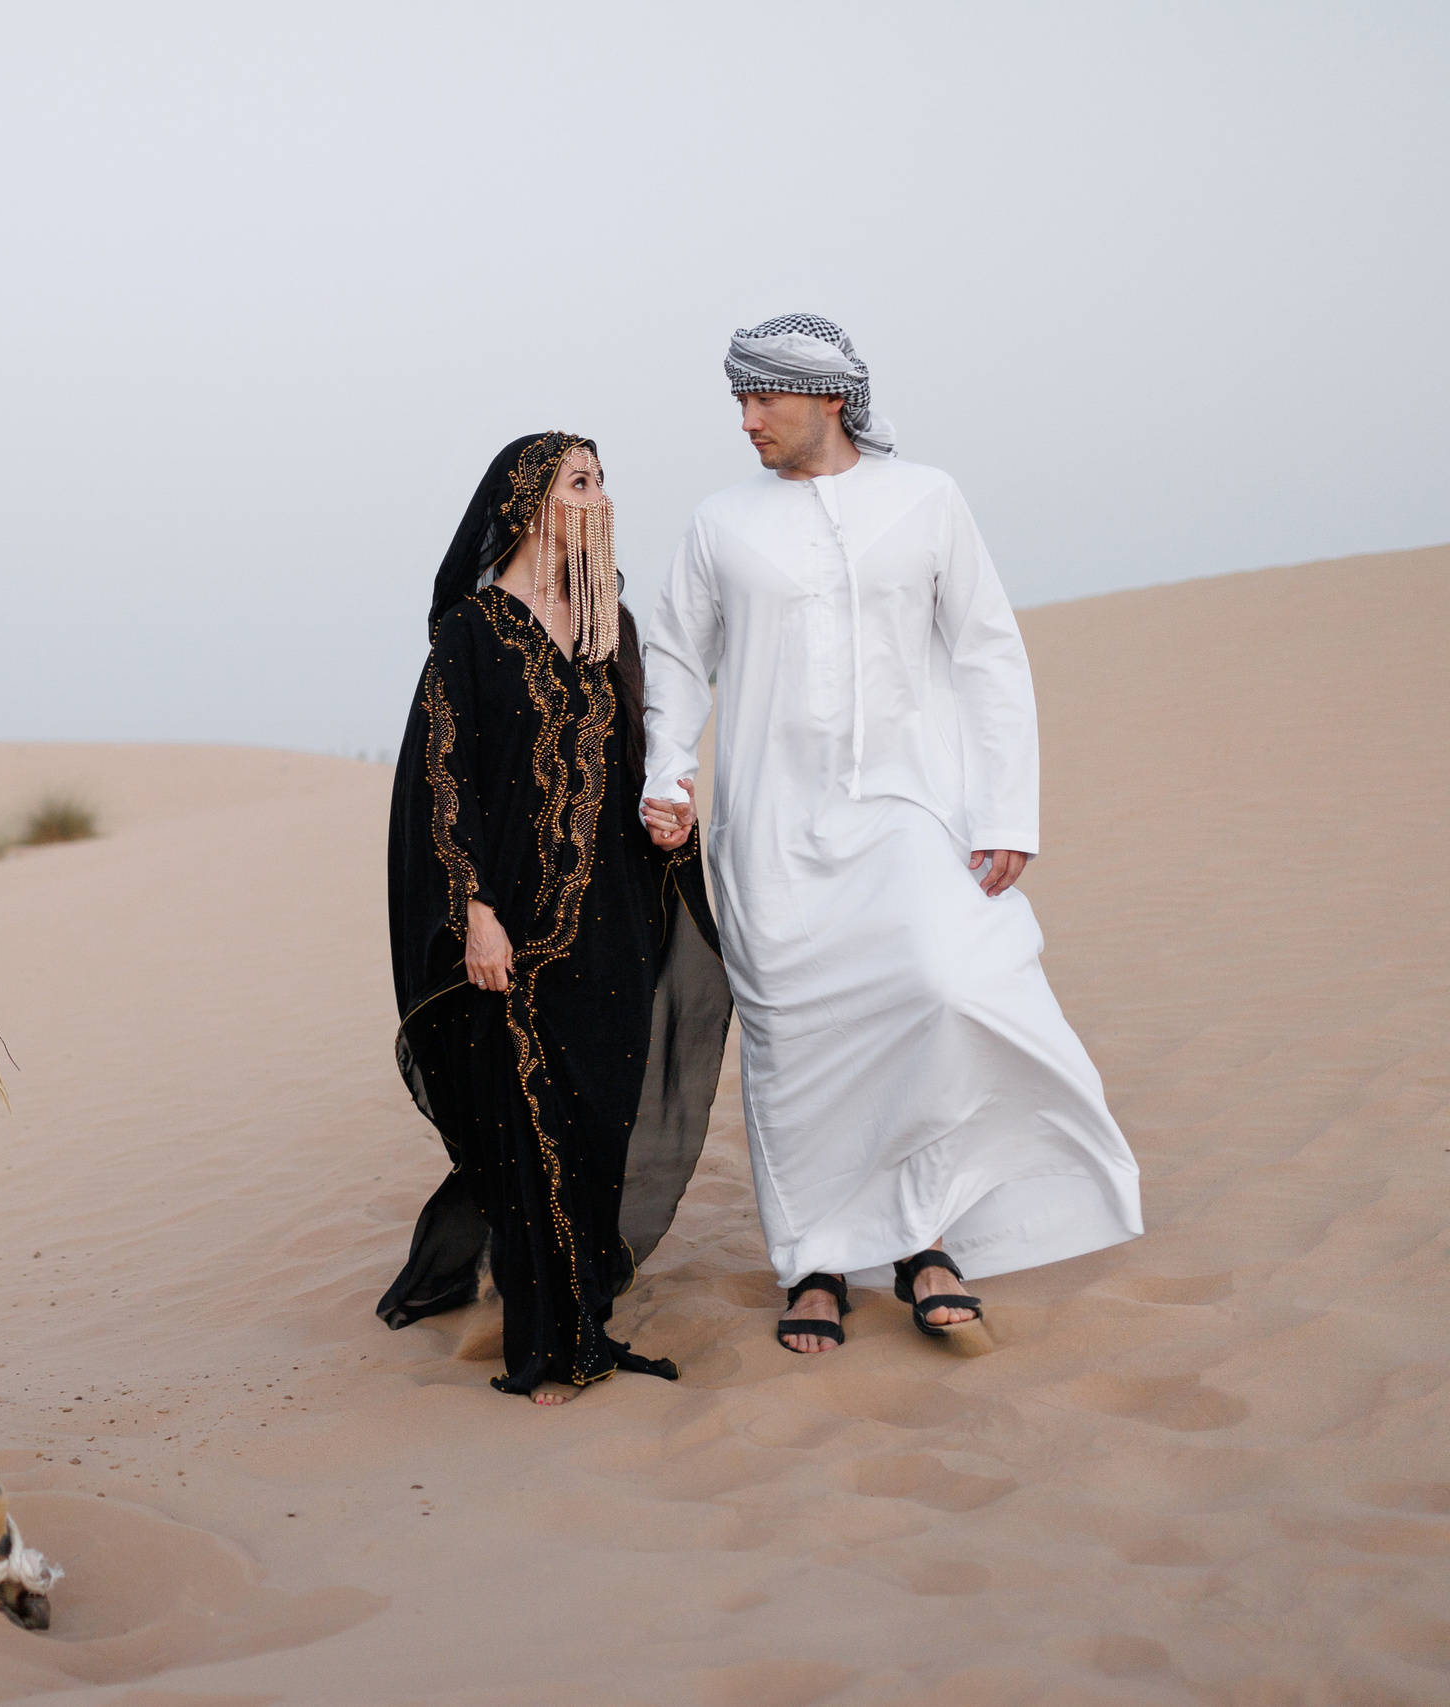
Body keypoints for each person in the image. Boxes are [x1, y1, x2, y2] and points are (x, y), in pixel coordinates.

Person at [638, 315, 1142, 1354]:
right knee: (796, 1051)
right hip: (770, 823)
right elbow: (677, 656)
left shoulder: (927, 500)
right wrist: (668, 771)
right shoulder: (719, 522)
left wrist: (1007, 809)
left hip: (913, 810)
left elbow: (988, 653)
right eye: (737, 400)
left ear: (825, 397)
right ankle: (814, 1264)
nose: (745, 420)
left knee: (942, 992)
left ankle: (920, 1234)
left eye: (761, 398)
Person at [378, 433, 732, 1403]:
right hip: (515, 932)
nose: (598, 494)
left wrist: (668, 816)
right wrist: (473, 912)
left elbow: (641, 770)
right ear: (528, 502)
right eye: (579, 480)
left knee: (597, 1127)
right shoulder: (471, 631)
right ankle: (547, 1350)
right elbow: (443, 786)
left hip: (613, 923)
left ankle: (584, 1319)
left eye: (602, 479)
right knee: (533, 1131)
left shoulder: (608, 622)